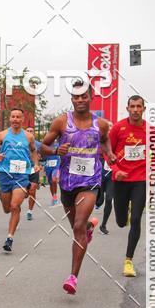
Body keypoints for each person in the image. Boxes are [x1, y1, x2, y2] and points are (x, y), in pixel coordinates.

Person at [41, 82, 113, 294]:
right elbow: (42, 146)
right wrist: (55, 150)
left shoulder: (100, 124)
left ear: (91, 97)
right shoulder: (62, 122)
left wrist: (109, 153)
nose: (79, 100)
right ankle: (88, 229)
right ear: (72, 98)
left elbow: (105, 140)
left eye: (83, 96)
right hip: (67, 183)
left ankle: (73, 277)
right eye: (76, 96)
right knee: (77, 228)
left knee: (79, 225)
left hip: (90, 181)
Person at [109, 95, 153, 277]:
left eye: (139, 106)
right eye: (132, 106)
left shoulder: (151, 131)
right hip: (120, 179)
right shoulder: (118, 128)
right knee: (121, 222)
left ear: (144, 109)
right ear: (127, 108)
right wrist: (115, 169)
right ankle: (123, 214)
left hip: (140, 180)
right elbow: (107, 152)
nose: (135, 109)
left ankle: (128, 261)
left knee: (136, 219)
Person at [0, 110, 39, 250]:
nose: (15, 119)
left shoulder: (28, 136)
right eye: (13, 117)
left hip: (21, 175)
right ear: (9, 119)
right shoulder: (2, 135)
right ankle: (5, 197)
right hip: (5, 174)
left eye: (18, 117)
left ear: (22, 119)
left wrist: (35, 164)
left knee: (15, 206)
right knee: (6, 209)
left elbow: (34, 151)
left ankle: (9, 238)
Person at [24, 126, 42, 221]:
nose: (30, 132)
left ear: (34, 133)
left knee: (32, 189)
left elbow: (43, 156)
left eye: (31, 131)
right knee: (25, 193)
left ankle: (30, 211)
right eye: (28, 130)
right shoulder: (21, 142)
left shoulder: (38, 144)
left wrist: (40, 163)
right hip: (23, 169)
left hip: (34, 168)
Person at [96, 158, 114, 234]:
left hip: (111, 177)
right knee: (99, 201)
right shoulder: (102, 147)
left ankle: (103, 225)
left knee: (109, 199)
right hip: (100, 175)